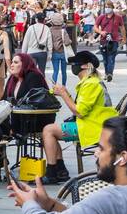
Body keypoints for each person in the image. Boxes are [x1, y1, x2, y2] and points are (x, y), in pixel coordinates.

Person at [41, 50, 117, 185]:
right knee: (51, 130)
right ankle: (60, 171)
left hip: (93, 127)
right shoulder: (90, 82)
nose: (73, 66)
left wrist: (64, 93)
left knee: (48, 130)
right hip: (92, 124)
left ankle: (53, 171)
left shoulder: (90, 84)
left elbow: (80, 112)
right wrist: (64, 93)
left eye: (75, 63)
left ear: (86, 66)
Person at [95, 3, 125, 82]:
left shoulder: (118, 17)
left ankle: (109, 74)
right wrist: (101, 32)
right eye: (106, 7)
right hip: (103, 40)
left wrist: (124, 38)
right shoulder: (101, 17)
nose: (107, 8)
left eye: (109, 7)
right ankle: (106, 73)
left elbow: (122, 28)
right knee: (105, 59)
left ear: (112, 8)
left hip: (114, 40)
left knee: (111, 57)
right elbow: (95, 27)